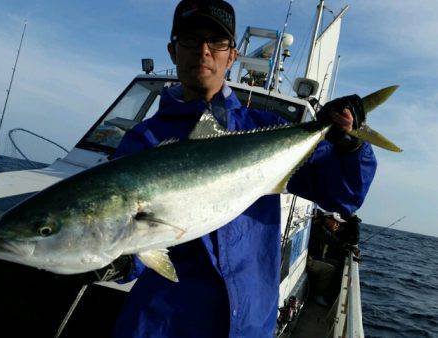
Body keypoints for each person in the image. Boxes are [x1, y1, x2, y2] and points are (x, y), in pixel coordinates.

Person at [109, 1, 377, 337]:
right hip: (163, 324)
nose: (204, 51)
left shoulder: (267, 130)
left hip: (249, 322)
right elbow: (130, 234)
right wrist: (116, 259)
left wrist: (351, 146)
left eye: (217, 42)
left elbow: (344, 194)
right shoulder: (144, 140)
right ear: (173, 51)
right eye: (191, 40)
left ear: (231, 55)